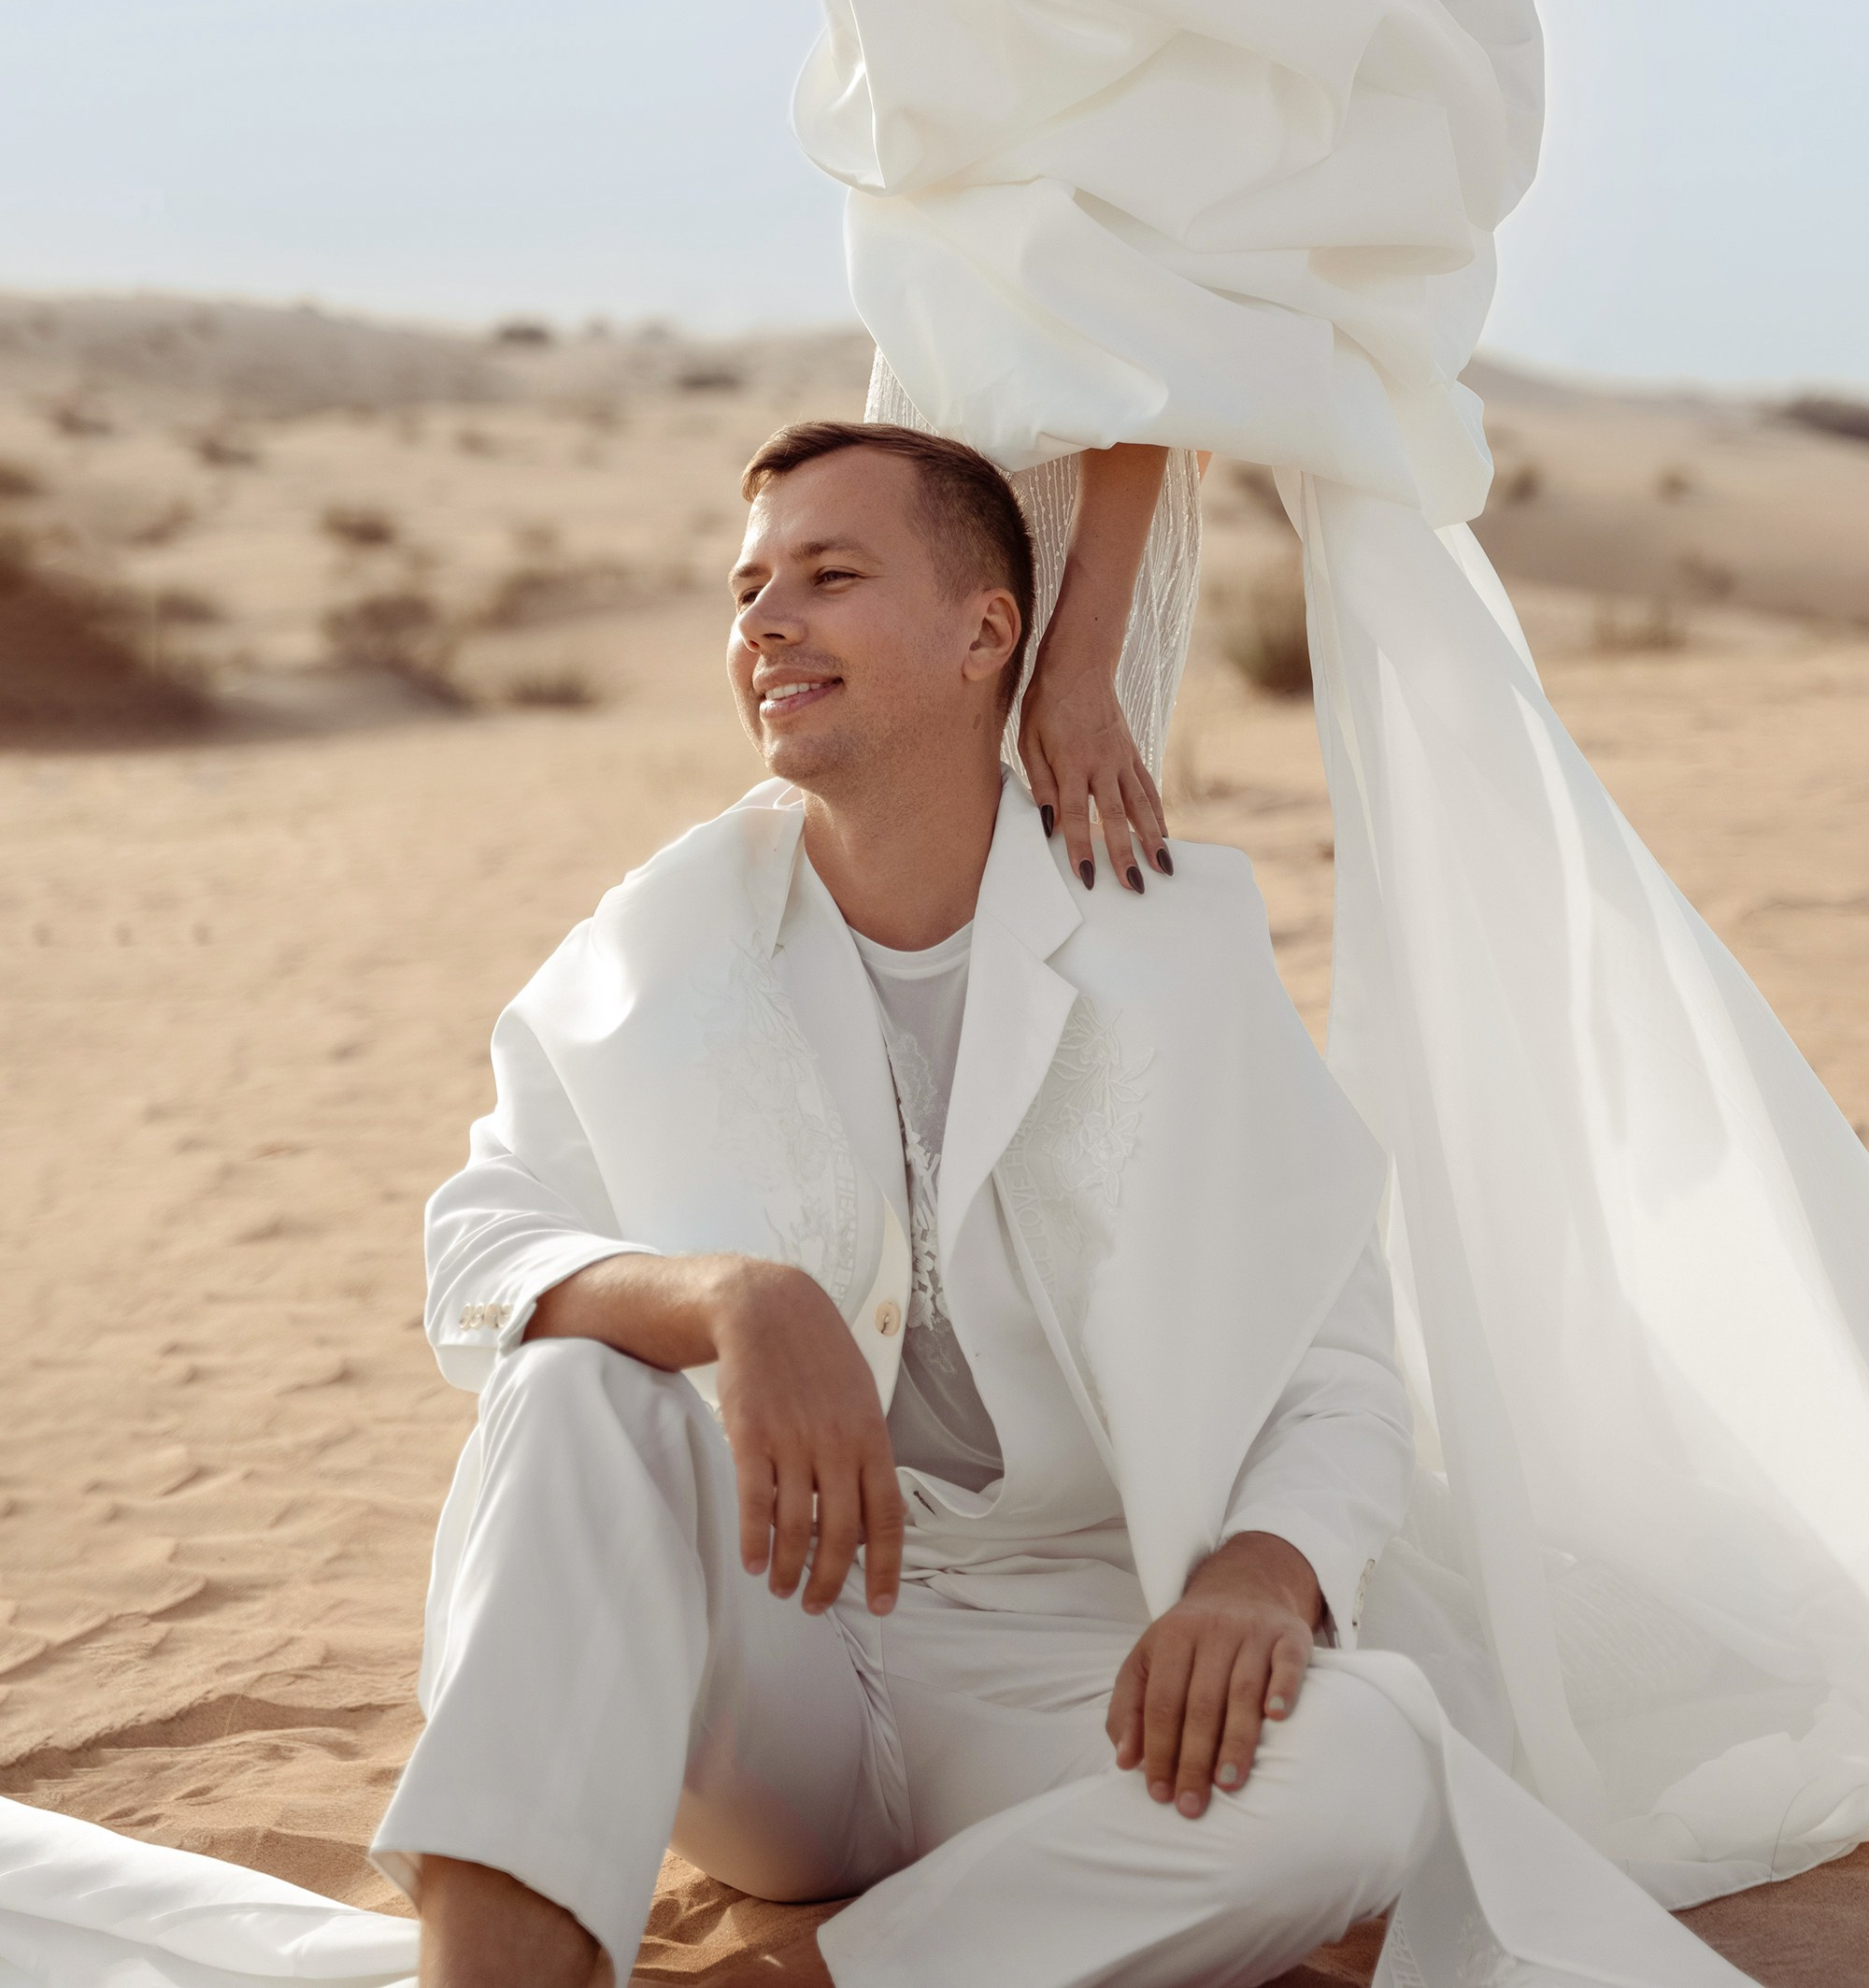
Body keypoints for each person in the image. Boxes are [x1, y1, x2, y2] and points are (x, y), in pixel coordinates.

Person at [795, 0, 1869, 1911]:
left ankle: (1035, 1590)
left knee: (990, 1020)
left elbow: (1153, 315)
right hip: (1013, 528)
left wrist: (1069, 652)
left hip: (1027, 555)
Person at [372, 420, 1743, 1988]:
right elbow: (476, 1245)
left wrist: (1261, 1572)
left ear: (987, 632)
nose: (765, 624)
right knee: (567, 1390)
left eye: (828, 575)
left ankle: (841, 1978)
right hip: (773, 1656)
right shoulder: (664, 931)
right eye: (747, 590)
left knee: (1373, 1757)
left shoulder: (1172, 941)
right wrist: (729, 1299)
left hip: (1071, 1678)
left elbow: (1338, 1365)